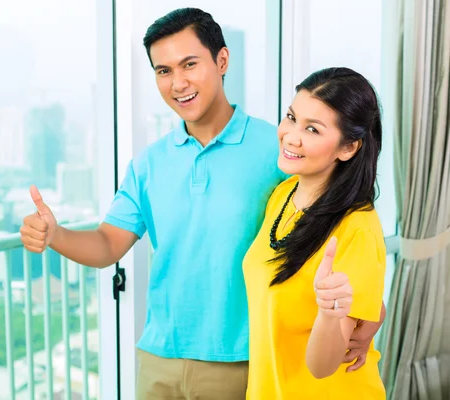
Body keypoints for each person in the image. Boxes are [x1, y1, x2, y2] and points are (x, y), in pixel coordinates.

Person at [20, 8, 385, 399]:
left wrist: (368, 313)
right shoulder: (149, 162)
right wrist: (55, 234)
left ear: (222, 60)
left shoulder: (277, 151)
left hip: (243, 360)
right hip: (159, 356)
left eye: (189, 64)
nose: (178, 83)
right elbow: (109, 244)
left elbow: (338, 228)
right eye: (163, 71)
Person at [242, 67, 387, 399]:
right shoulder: (284, 195)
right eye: (291, 118)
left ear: (348, 148)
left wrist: (328, 314)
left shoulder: (357, 229)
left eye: (312, 129)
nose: (292, 136)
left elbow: (323, 367)